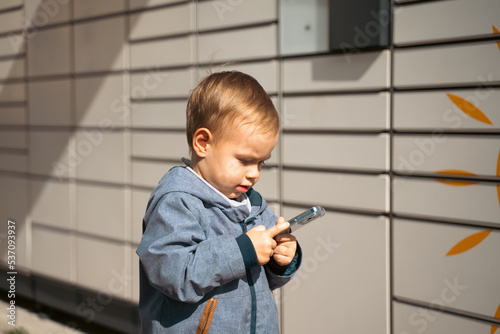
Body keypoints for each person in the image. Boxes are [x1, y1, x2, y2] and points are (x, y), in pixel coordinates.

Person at [137, 71, 302, 333]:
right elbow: (174, 275)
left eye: (261, 162)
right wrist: (242, 251)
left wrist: (281, 259)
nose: (254, 172)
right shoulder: (178, 201)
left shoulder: (252, 204)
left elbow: (261, 279)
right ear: (203, 143)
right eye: (245, 160)